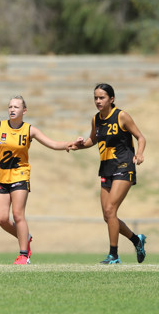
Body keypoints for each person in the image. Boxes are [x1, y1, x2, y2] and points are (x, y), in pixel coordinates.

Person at [0, 96, 70, 265]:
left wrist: (69, 144)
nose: (12, 109)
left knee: (17, 214)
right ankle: (25, 237)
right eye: (10, 106)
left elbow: (51, 143)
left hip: (20, 175)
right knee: (1, 218)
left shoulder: (30, 130)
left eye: (16, 107)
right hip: (1, 176)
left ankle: (24, 255)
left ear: (24, 111)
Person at [69, 84, 147, 264]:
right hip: (106, 168)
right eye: (95, 98)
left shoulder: (122, 116)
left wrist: (140, 153)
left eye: (102, 97)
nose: (98, 101)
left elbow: (141, 137)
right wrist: (78, 144)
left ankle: (114, 255)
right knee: (107, 215)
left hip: (124, 166)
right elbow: (92, 141)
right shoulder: (96, 119)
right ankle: (137, 240)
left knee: (111, 209)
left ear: (111, 99)